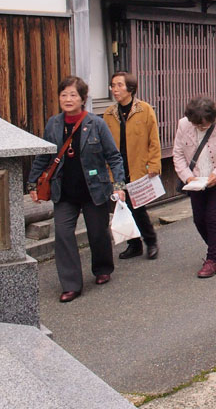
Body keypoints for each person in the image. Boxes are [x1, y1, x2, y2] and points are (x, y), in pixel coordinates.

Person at [28, 76, 126, 302]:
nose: (68, 99)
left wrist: (119, 185)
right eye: (64, 95)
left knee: (97, 233)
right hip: (64, 192)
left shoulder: (96, 123)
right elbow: (44, 155)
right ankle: (71, 285)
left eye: (73, 95)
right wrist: (32, 182)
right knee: (62, 235)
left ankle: (102, 268)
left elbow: (113, 156)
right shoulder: (53, 123)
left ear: (83, 98)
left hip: (94, 190)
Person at [173, 96, 216, 278]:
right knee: (198, 219)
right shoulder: (183, 125)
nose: (200, 128)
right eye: (197, 125)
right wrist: (188, 178)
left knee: (212, 217)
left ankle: (212, 260)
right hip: (195, 181)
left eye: (204, 125)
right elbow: (178, 155)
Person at [103, 71, 161, 261]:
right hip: (118, 168)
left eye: (119, 85)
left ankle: (150, 241)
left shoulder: (144, 109)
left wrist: (154, 164)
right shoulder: (109, 113)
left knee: (138, 206)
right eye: (113, 85)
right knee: (123, 206)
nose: (115, 89)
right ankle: (134, 244)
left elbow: (153, 139)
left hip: (139, 165)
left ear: (130, 88)